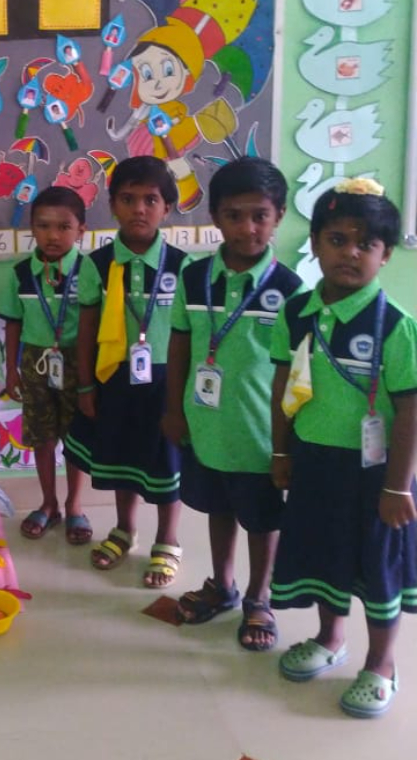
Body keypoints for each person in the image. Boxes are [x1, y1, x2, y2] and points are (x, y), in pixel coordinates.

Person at [270, 179, 417, 716]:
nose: (350, 253)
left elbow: (410, 411)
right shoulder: (296, 313)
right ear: (315, 243)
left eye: (366, 244)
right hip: (314, 460)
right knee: (325, 553)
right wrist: (281, 452)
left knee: (377, 567)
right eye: (337, 240)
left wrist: (397, 486)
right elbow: (282, 385)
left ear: (385, 254)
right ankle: (330, 638)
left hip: (376, 473)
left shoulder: (397, 326)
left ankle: (381, 663)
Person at [163, 157, 302, 650]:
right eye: (234, 215)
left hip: (260, 433)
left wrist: (287, 442)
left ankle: (259, 597)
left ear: (279, 215)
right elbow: (179, 345)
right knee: (217, 507)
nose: (247, 228)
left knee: (262, 520)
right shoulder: (195, 277)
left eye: (260, 215)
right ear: (215, 217)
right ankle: (222, 585)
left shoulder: (291, 290)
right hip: (205, 426)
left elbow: (297, 374)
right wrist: (174, 409)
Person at [64, 156, 186, 586]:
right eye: (128, 199)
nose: (139, 209)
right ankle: (124, 529)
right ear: (112, 205)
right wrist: (85, 385)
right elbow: (86, 328)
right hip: (113, 376)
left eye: (151, 200)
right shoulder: (97, 264)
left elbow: (188, 335)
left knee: (166, 462)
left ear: (166, 207)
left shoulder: (184, 267)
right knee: (121, 456)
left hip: (166, 382)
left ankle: (167, 539)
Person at [1, 186, 89, 543]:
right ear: (32, 229)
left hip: (79, 361)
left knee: (77, 438)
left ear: (81, 230)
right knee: (42, 436)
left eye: (64, 227)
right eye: (43, 226)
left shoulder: (91, 271)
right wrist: (11, 369)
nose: (53, 235)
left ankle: (75, 505)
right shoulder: (21, 273)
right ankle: (49, 503)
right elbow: (13, 322)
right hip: (35, 362)